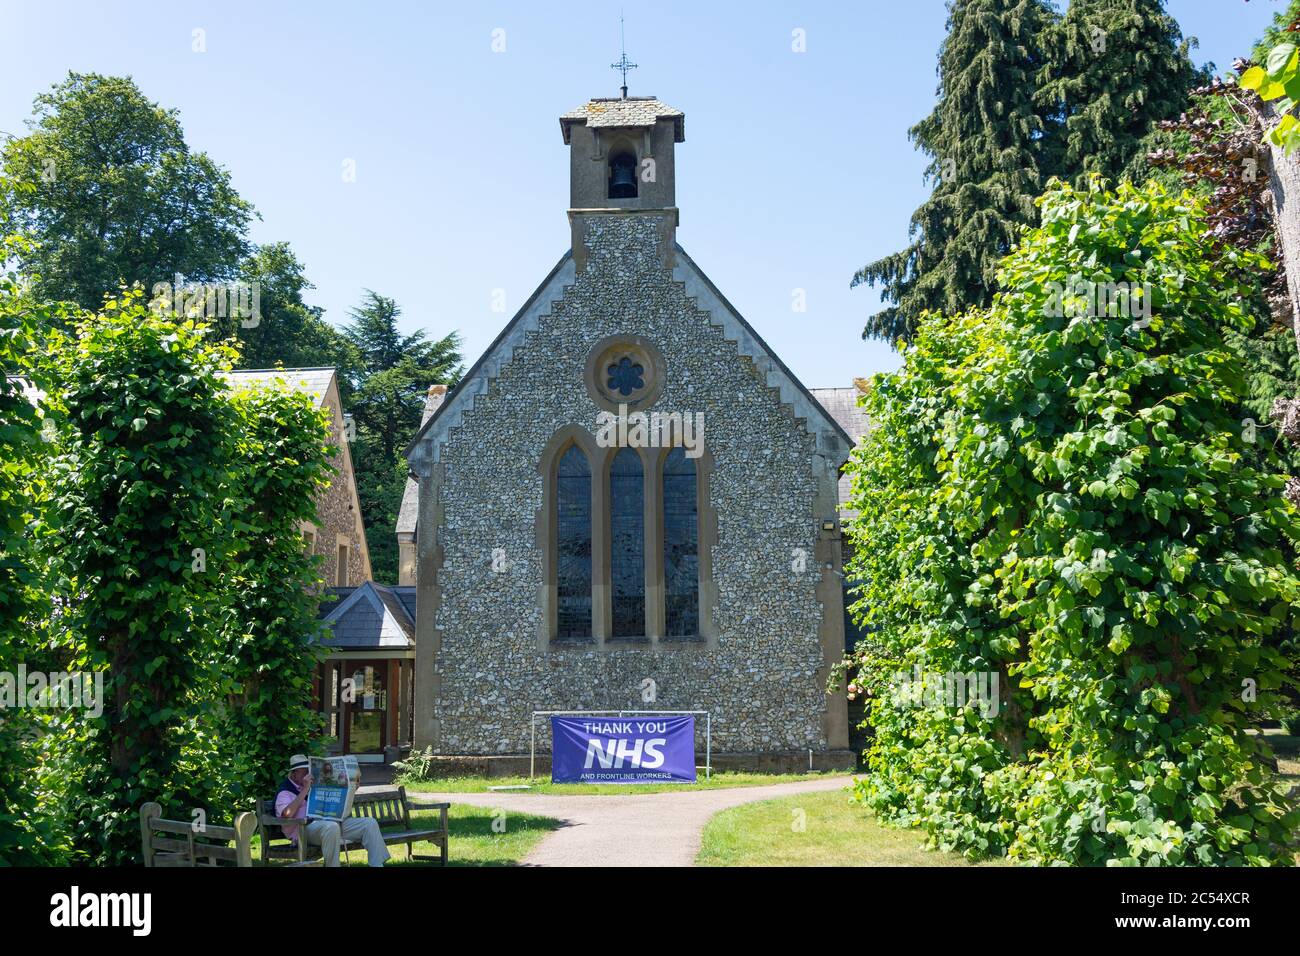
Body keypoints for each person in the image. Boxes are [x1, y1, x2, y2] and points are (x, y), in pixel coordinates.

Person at [274, 754, 389, 867]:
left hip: (328, 821)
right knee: (331, 827)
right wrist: (305, 789)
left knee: (369, 823)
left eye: (308, 770)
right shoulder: (285, 791)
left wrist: (352, 787)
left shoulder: (315, 783)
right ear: (294, 774)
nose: (308, 774)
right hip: (304, 830)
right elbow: (286, 814)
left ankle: (376, 864)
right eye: (304, 772)